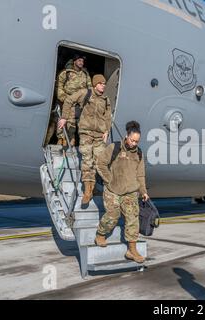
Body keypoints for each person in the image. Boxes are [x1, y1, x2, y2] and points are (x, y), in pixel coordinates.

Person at [94, 121, 150, 264]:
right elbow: (100, 163)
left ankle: (132, 250)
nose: (134, 143)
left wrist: (143, 191)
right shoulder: (115, 148)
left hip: (130, 192)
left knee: (133, 219)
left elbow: (140, 175)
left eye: (137, 141)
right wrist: (108, 179)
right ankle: (100, 234)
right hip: (113, 190)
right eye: (132, 140)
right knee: (113, 215)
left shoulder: (139, 153)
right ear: (127, 136)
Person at [58, 74, 112, 207]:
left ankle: (109, 189)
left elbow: (107, 117)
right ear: (95, 84)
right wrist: (64, 117)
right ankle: (88, 190)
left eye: (104, 84)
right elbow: (69, 100)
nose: (103, 86)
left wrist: (106, 131)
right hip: (86, 133)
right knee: (87, 161)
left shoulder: (106, 100)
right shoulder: (85, 93)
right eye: (101, 83)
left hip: (99, 135)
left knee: (101, 162)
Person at [46, 54, 92, 146]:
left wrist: (86, 100)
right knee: (60, 123)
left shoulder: (85, 74)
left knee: (72, 125)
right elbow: (58, 87)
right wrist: (65, 98)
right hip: (64, 102)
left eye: (82, 61)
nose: (81, 63)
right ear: (74, 61)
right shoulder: (65, 73)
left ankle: (71, 143)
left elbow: (89, 88)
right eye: (79, 60)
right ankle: (60, 142)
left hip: (78, 105)